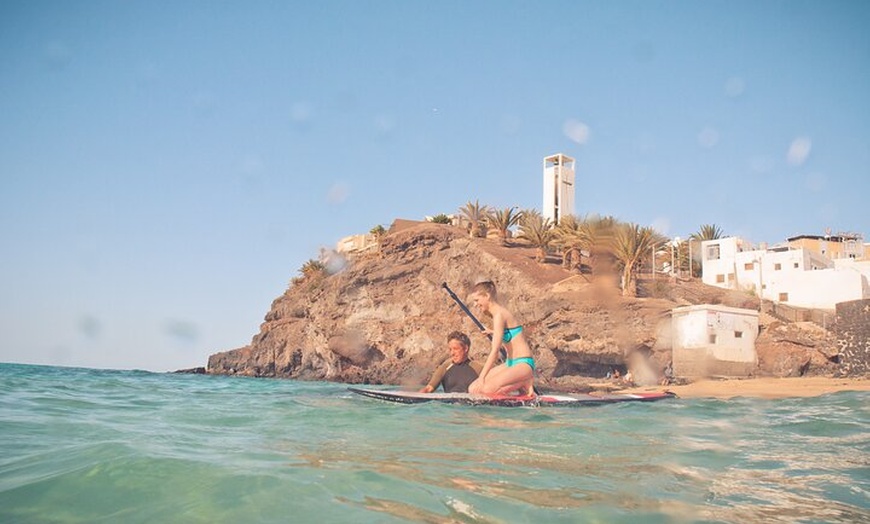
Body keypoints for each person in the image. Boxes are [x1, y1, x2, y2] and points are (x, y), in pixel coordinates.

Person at [467, 281, 535, 395]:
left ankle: (524, 381)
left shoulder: (499, 315)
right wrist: (492, 332)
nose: (475, 304)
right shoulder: (497, 315)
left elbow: (495, 352)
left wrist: (482, 377)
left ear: (487, 296)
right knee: (473, 388)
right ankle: (520, 385)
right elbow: (511, 333)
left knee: (486, 389)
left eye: (477, 300)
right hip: (510, 363)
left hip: (523, 364)